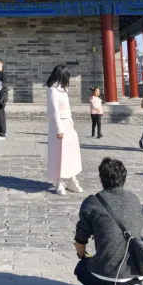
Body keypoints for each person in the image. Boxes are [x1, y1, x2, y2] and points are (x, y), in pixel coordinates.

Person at [74, 157, 143, 285]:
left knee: (81, 269)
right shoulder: (134, 199)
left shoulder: (93, 202)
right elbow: (140, 223)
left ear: (101, 178)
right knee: (132, 247)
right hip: (138, 270)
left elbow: (80, 239)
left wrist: (82, 254)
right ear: (124, 178)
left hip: (107, 272)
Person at [46, 64, 83, 196]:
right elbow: (54, 110)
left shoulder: (63, 89)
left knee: (71, 153)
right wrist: (59, 129)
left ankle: (72, 180)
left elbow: (68, 109)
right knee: (59, 154)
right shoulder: (53, 90)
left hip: (68, 123)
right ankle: (59, 181)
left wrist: (71, 124)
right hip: (59, 124)